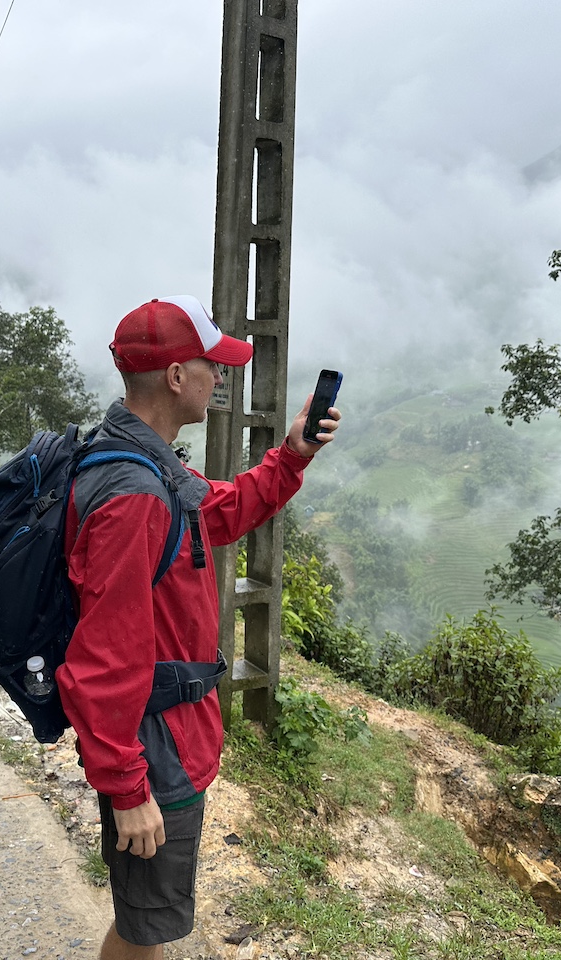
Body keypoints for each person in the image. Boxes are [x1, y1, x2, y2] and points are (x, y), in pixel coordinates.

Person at [55, 295, 340, 959]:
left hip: (169, 737)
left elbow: (220, 511)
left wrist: (292, 455)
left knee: (145, 922)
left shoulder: (151, 467)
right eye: (213, 366)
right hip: (155, 749)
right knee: (144, 930)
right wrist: (128, 787)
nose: (222, 378)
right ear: (176, 376)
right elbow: (104, 657)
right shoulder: (134, 496)